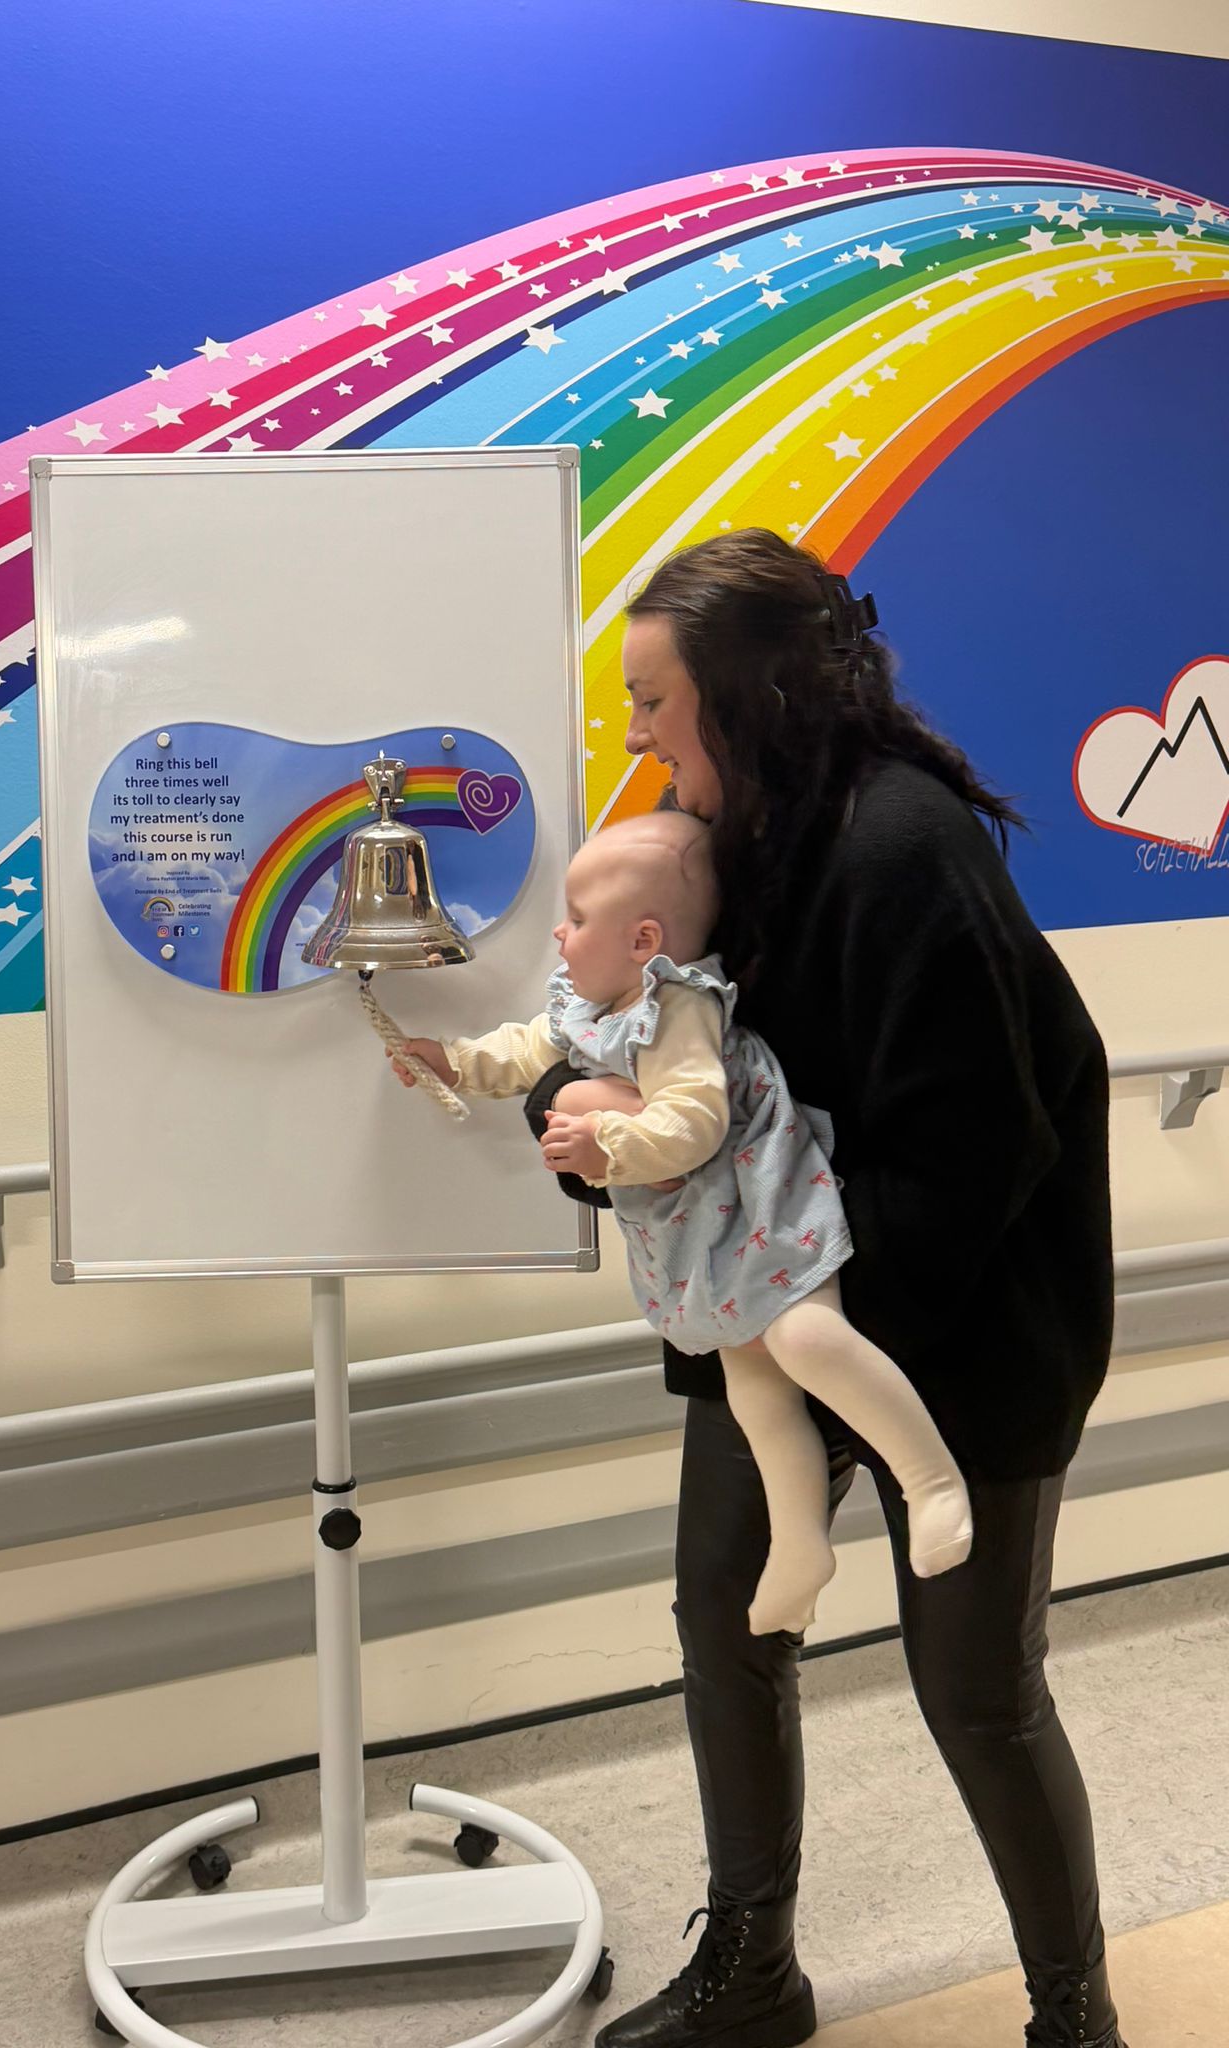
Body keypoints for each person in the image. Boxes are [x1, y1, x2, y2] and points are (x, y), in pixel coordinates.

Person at [523, 529, 1124, 2048]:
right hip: (775, 1310)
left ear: (752, 692)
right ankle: (754, 1974)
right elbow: (669, 1061)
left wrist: (819, 1332)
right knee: (725, 1630)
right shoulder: (716, 845)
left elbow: (986, 1145)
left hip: (964, 1328)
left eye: (657, 703)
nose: (641, 736)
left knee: (978, 1693)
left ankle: (1074, 2015)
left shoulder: (904, 847)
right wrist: (596, 1135)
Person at [393, 809, 973, 1637]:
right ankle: (800, 1544)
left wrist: (607, 1138)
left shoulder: (677, 1010)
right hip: (708, 1232)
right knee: (753, 1384)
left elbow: (696, 1121)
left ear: (644, 941)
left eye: (580, 919)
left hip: (761, 1207)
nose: (559, 934)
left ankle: (931, 1480)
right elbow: (531, 1047)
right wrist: (455, 1060)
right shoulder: (592, 1001)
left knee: (807, 1342)